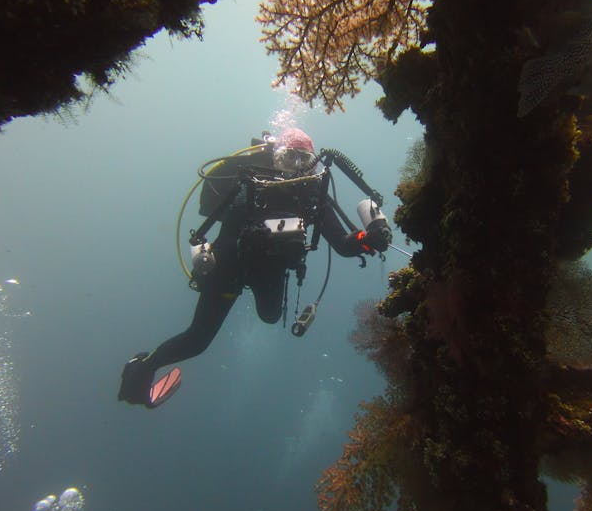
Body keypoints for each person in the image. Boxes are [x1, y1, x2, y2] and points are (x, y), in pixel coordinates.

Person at [117, 128, 391, 408]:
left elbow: (344, 244)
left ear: (313, 163)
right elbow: (217, 228)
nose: (293, 168)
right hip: (230, 267)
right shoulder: (250, 182)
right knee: (197, 340)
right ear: (274, 156)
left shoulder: (311, 194)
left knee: (270, 316)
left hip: (270, 271)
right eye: (287, 157)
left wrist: (368, 238)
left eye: (302, 160)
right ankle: (143, 366)